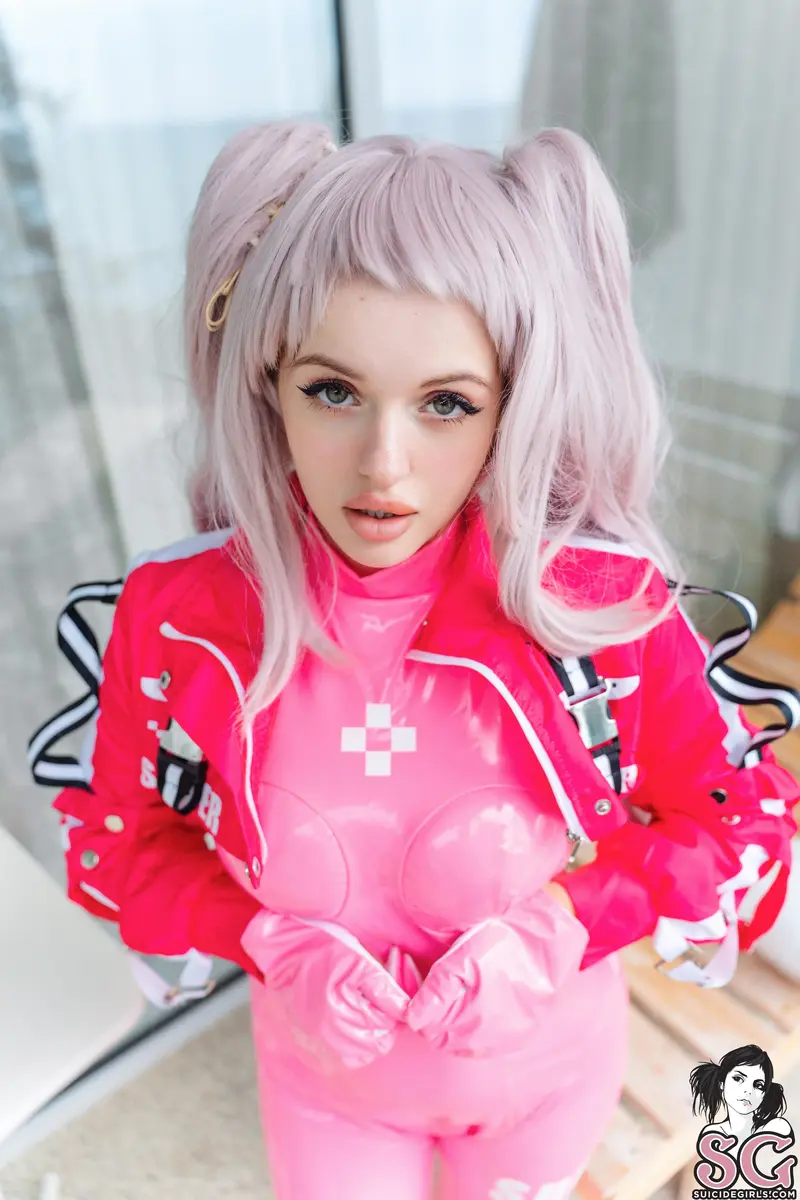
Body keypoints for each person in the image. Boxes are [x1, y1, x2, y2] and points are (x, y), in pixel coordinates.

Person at [29, 122, 799, 1200]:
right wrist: (257, 936)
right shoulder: (180, 619)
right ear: (266, 383)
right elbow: (116, 843)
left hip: (542, 1090)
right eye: (332, 391)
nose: (383, 465)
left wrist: (565, 925)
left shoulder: (596, 612)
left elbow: (737, 817)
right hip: (322, 1092)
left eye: (447, 404)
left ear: (512, 405)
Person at [690, 1045, 795, 1190]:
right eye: (738, 1078)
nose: (748, 1091)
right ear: (721, 1083)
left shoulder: (777, 1127)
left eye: (758, 1085)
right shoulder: (711, 1134)